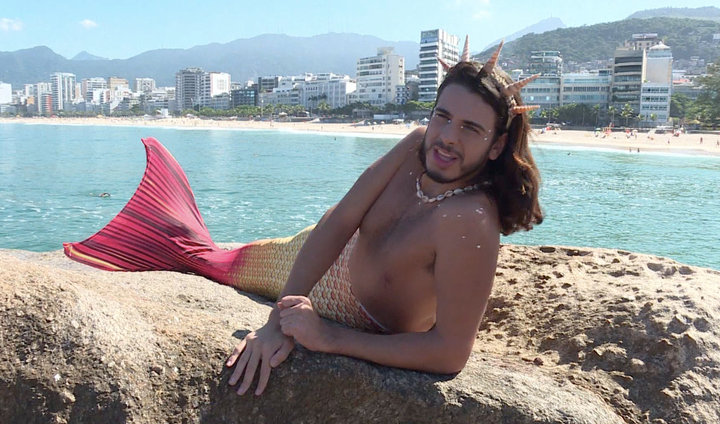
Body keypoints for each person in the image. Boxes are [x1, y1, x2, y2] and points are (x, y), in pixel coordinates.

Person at [62, 38, 543, 396]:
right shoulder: (415, 145)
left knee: (209, 258)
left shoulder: (471, 221)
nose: (447, 137)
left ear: (497, 144)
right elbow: (339, 222)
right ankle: (170, 235)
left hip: (343, 309)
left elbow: (449, 351)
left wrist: (330, 337)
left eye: (470, 128)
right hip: (309, 258)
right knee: (214, 260)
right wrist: (278, 318)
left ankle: (165, 234)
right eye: (443, 116)